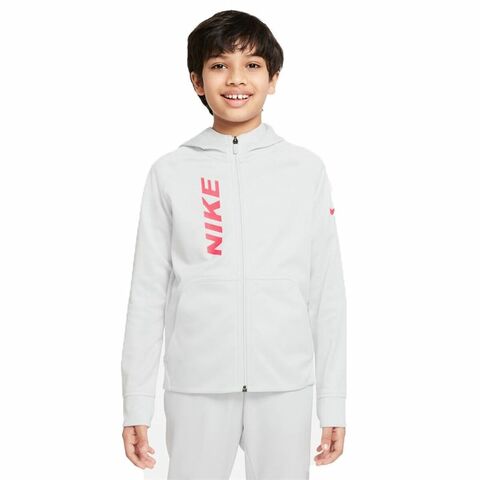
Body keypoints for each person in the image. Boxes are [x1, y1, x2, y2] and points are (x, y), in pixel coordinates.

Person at [121, 9, 347, 479]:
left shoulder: (305, 170)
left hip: (284, 384)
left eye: (253, 65)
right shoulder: (171, 172)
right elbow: (147, 294)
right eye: (219, 65)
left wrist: (333, 401)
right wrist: (136, 402)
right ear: (197, 81)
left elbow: (326, 292)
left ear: (273, 78)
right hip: (197, 384)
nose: (236, 79)